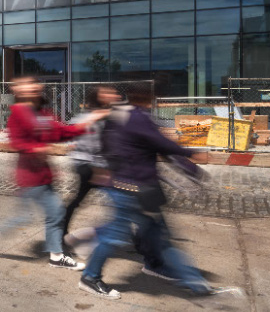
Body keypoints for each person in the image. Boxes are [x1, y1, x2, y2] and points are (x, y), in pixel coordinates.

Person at [78, 82, 230, 299]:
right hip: (130, 189)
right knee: (115, 236)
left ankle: (176, 275)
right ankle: (90, 277)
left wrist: (189, 167)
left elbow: (154, 147)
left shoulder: (124, 114)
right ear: (149, 98)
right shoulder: (138, 117)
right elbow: (162, 145)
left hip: (135, 187)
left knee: (159, 235)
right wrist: (191, 155)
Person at [0, 76, 107, 269]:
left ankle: (56, 255)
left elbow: (60, 132)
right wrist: (36, 149)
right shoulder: (18, 113)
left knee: (55, 212)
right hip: (29, 177)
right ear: (18, 91)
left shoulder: (43, 112)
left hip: (44, 175)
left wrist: (87, 124)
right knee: (31, 216)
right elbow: (16, 141)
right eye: (27, 83)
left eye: (34, 83)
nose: (34, 85)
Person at [62, 85, 120, 238]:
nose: (113, 95)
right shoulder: (92, 117)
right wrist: (98, 170)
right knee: (121, 201)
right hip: (90, 167)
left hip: (97, 166)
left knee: (80, 200)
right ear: (98, 97)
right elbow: (88, 144)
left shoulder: (106, 116)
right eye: (108, 92)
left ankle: (61, 230)